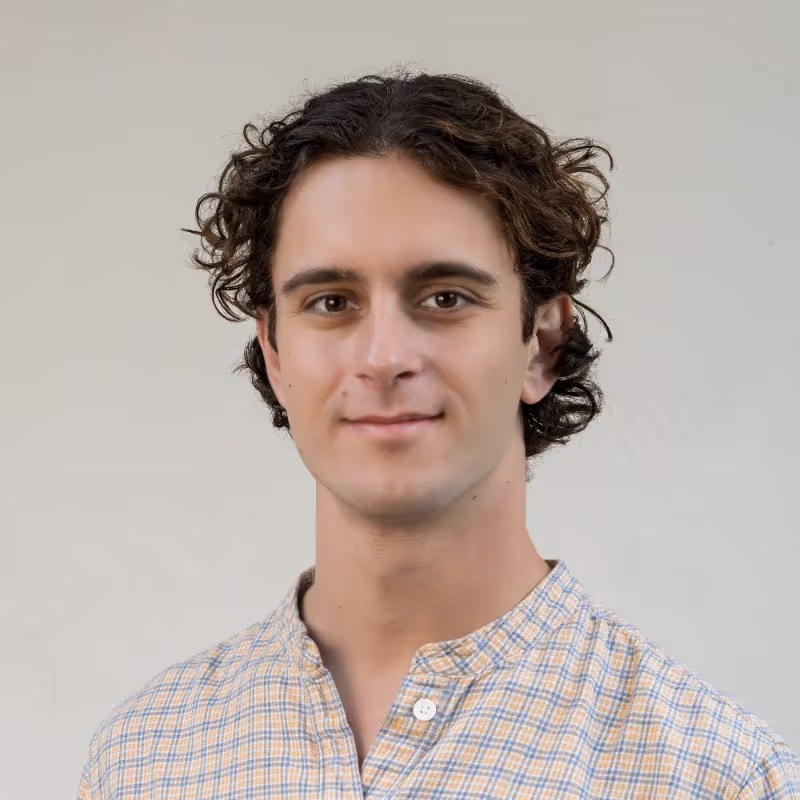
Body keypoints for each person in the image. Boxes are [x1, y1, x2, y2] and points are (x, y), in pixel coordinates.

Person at [77, 67, 800, 799]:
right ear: (274, 352)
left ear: (543, 343)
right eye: (331, 302)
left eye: (445, 297)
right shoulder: (142, 759)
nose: (384, 356)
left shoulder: (720, 776)